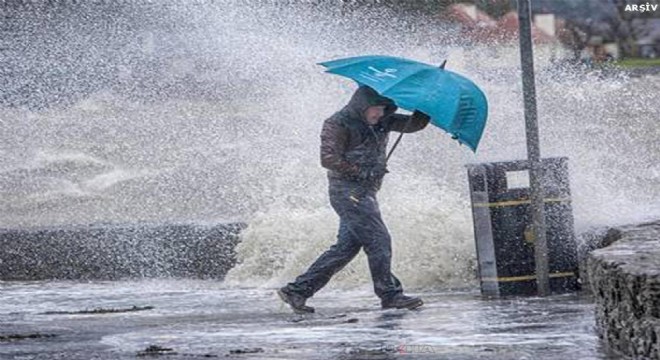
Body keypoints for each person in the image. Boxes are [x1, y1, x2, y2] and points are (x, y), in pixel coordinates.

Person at [277, 85, 430, 313]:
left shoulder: (383, 120)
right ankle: (390, 295)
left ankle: (297, 291)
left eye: (383, 108)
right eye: (375, 109)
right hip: (346, 191)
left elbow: (413, 125)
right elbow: (328, 159)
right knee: (379, 240)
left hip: (366, 192)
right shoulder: (338, 123)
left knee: (345, 248)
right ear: (362, 106)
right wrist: (360, 171)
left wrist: (424, 105)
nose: (379, 114)